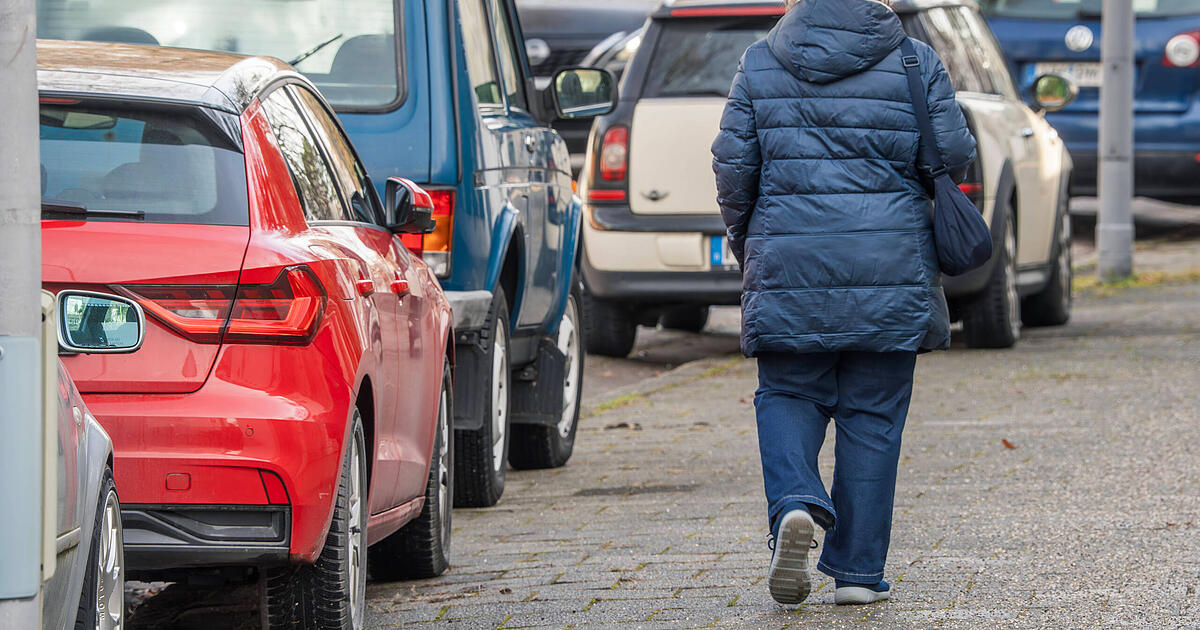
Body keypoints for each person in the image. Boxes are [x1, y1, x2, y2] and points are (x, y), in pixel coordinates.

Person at [710, 0, 976, 607]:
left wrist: (747, 239)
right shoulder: (915, 60)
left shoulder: (758, 63)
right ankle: (857, 572)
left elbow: (733, 166)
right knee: (874, 416)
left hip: (788, 260)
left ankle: (796, 506)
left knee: (787, 392)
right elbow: (954, 152)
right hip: (891, 264)